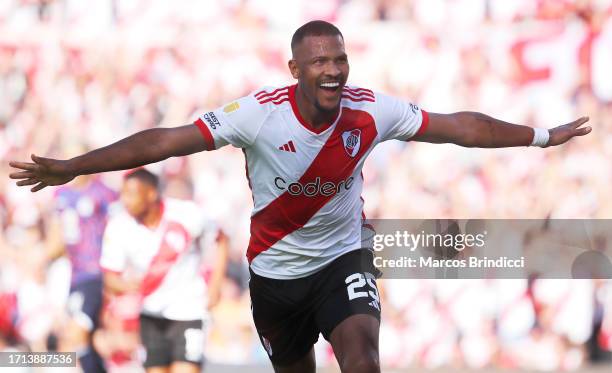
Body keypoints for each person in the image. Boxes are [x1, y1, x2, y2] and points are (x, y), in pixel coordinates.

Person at [9, 20, 591, 373]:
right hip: (276, 277)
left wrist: (539, 136)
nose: (334, 71)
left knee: (362, 358)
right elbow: (165, 141)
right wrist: (76, 166)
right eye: (320, 62)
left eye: (340, 59)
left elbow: (459, 126)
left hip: (343, 260)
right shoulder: (257, 116)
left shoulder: (370, 108)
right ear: (295, 69)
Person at [96, 168, 227, 373]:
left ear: (151, 194)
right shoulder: (118, 226)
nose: (125, 200)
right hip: (150, 313)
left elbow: (221, 239)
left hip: (189, 310)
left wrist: (215, 285)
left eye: (131, 194)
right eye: (123, 194)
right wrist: (128, 286)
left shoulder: (186, 214)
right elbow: (110, 278)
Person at [46, 173, 117, 373]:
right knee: (77, 339)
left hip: (95, 273)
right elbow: (57, 237)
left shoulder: (104, 193)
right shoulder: (62, 196)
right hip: (74, 274)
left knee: (78, 334)